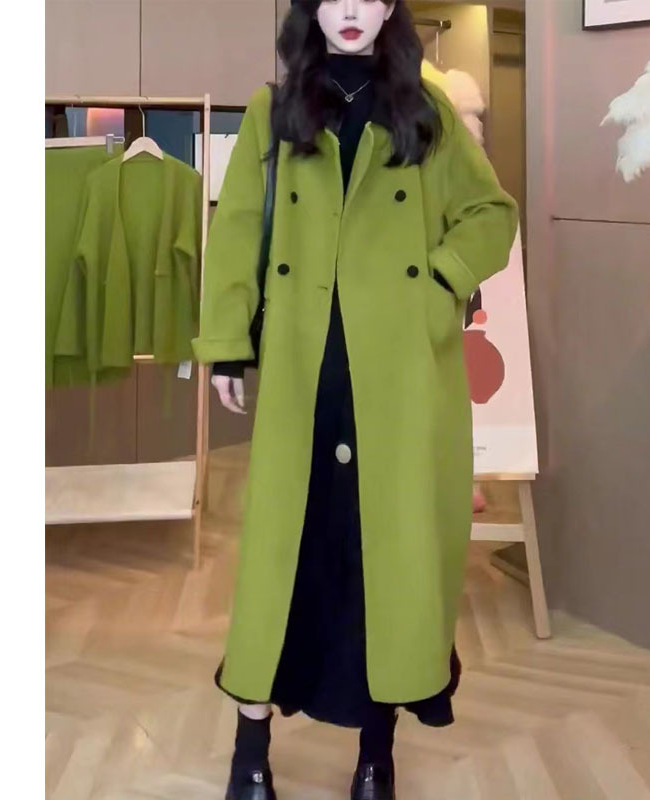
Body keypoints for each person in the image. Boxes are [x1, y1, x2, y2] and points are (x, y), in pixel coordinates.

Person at [192, 1, 518, 798]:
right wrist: (228, 341)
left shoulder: (425, 107)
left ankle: (377, 754)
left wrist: (437, 283)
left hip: (399, 370)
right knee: (285, 557)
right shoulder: (275, 109)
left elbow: (491, 215)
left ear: (390, 6)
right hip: (305, 365)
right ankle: (250, 752)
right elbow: (237, 230)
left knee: (385, 558)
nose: (348, 9)